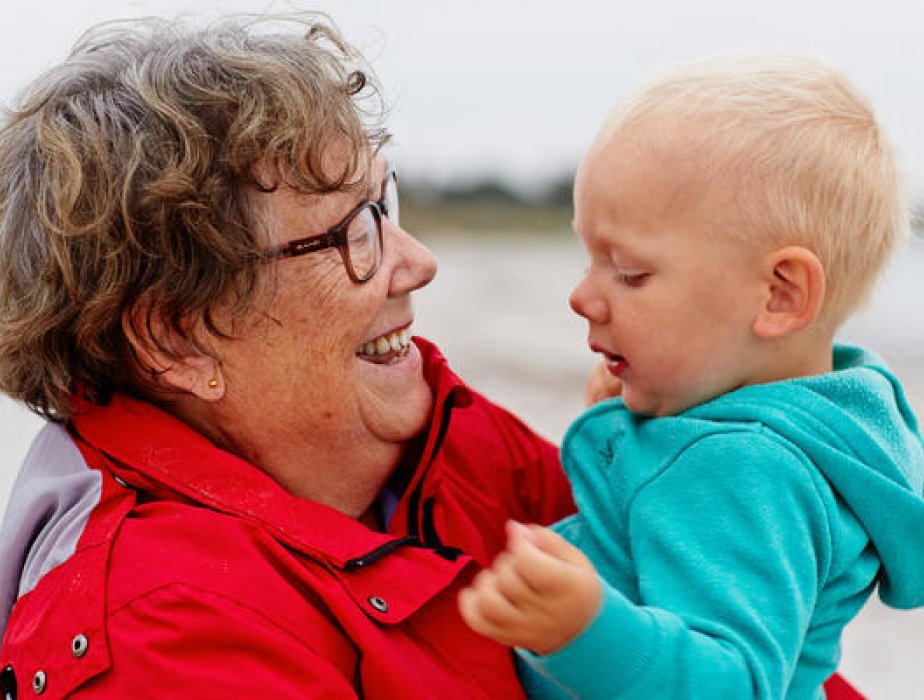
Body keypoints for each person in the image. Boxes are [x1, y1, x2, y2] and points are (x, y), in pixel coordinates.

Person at [0, 14, 581, 697]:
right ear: (177, 340)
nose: (418, 262)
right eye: (351, 232)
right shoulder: (165, 631)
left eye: (383, 204)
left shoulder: (447, 444)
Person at [458, 53, 924, 699]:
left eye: (629, 273)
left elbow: (735, 683)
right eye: (588, 257)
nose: (583, 296)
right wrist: (642, 431)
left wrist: (582, 629)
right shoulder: (816, 425)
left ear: (780, 295)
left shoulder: (737, 465)